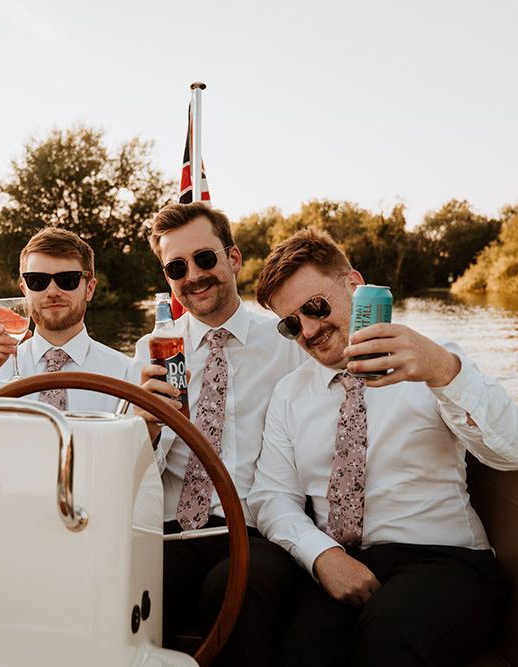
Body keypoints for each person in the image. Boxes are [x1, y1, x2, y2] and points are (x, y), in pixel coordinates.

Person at [248, 226, 518, 666]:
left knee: (390, 639)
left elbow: (516, 452)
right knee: (302, 653)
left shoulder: (436, 361)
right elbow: (272, 497)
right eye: (290, 324)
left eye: (315, 307)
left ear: (355, 285)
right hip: (343, 564)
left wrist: (444, 372)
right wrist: (322, 557)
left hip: (444, 563)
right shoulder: (288, 394)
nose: (308, 330)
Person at [134, 202, 307, 665]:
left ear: (233, 258)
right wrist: (146, 426)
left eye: (205, 258)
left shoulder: (289, 343)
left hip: (255, 530)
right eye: (176, 267)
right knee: (120, 585)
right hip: (171, 532)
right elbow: (130, 472)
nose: (193, 275)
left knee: (234, 591)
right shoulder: (151, 350)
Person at [0, 227, 130, 411]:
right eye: (37, 280)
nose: (52, 292)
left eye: (67, 279)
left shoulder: (125, 373)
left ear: (90, 288)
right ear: (24, 290)